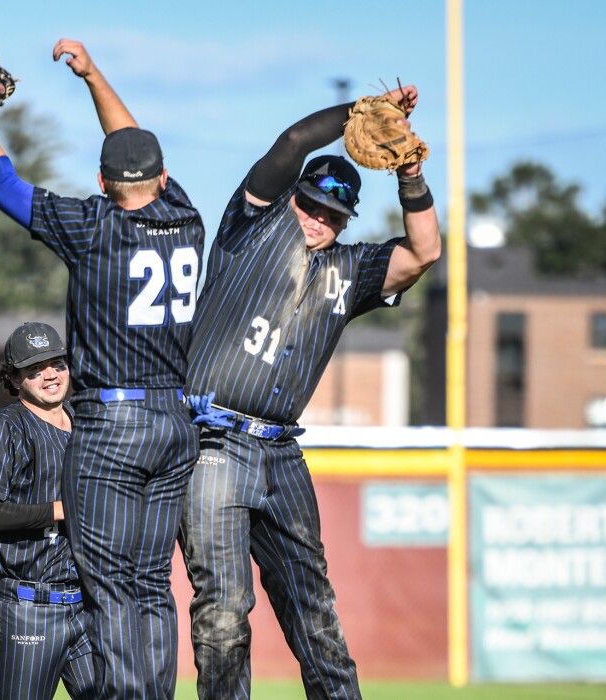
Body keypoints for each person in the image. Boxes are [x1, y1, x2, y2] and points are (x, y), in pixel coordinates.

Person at [0, 39, 204, 699]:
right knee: (153, 582)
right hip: (176, 422)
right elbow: (132, 144)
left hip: (114, 422)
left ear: (100, 183)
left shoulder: (92, 225)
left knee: (113, 581)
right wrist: (94, 75)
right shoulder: (185, 218)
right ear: (163, 176)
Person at [180, 86, 441, 700]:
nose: (318, 219)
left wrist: (412, 174)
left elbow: (424, 251)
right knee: (224, 606)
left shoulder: (348, 272)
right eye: (312, 204)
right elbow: (294, 143)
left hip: (282, 454)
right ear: (294, 197)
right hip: (214, 441)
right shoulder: (251, 227)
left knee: (313, 606)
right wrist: (354, 114)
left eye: (332, 215)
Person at [0, 321, 95, 700]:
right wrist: (58, 510)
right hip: (29, 607)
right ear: (15, 378)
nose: (50, 374)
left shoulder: (86, 423)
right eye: (35, 368)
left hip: (87, 606)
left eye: (57, 363)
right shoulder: (4, 427)